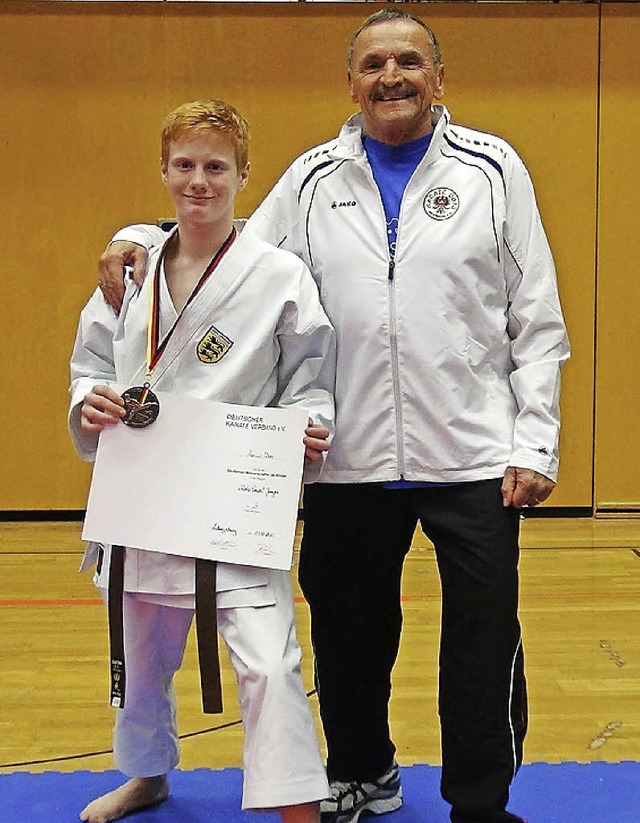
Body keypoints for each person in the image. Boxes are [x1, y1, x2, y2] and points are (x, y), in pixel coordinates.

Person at [96, 10, 570, 823]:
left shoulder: (495, 171)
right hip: (345, 454)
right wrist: (137, 234)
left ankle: (482, 802)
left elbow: (537, 317)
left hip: (474, 453)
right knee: (350, 638)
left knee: (482, 643)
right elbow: (225, 243)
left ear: (439, 77)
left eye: (410, 61)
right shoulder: (315, 178)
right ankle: (362, 772)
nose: (393, 75)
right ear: (350, 82)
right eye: (375, 63)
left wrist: (537, 442)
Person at [69, 99, 336, 823]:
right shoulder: (127, 269)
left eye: (215, 167)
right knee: (142, 654)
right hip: (142, 494)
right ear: (162, 170)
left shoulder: (278, 274)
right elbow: (90, 362)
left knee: (268, 657)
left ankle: (295, 802)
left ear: (244, 175)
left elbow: (311, 376)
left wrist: (309, 425)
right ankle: (146, 774)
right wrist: (88, 402)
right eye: (184, 165)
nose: (198, 181)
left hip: (231, 498)